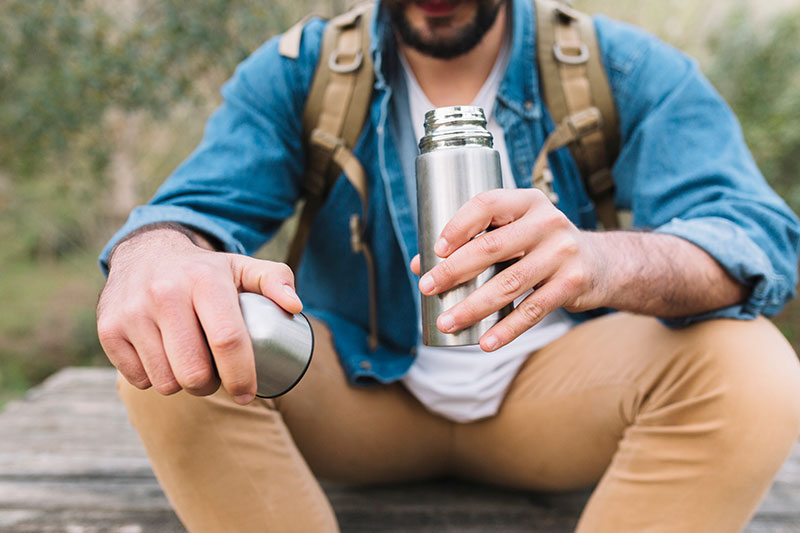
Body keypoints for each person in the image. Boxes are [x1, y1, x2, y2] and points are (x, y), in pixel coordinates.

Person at [96, 0, 800, 531]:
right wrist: (152, 250)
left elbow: (756, 234)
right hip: (358, 397)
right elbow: (189, 210)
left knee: (752, 366)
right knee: (175, 333)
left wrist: (598, 259)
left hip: (555, 403)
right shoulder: (300, 71)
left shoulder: (619, 66)